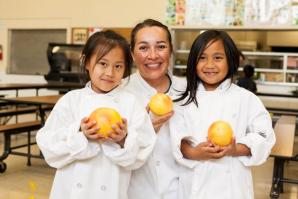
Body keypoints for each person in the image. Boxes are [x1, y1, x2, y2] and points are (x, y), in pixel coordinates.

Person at [36, 30, 156, 199]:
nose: (109, 73)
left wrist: (123, 139)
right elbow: (48, 146)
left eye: (118, 66)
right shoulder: (71, 101)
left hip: (113, 191)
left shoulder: (131, 104)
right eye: (103, 64)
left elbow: (144, 149)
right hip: (71, 192)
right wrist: (80, 133)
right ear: (86, 62)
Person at [169, 30, 276, 199]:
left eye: (218, 58)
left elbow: (264, 137)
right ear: (193, 62)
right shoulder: (183, 99)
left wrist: (235, 149)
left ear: (231, 61)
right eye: (202, 58)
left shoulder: (246, 98)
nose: (209, 65)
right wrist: (196, 153)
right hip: (194, 186)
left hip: (232, 187)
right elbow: (176, 139)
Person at [123, 19, 190, 199]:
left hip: (182, 192)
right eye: (143, 48)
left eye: (160, 46)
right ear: (132, 53)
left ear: (171, 49)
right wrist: (144, 129)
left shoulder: (188, 90)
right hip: (135, 192)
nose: (153, 55)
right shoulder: (120, 92)